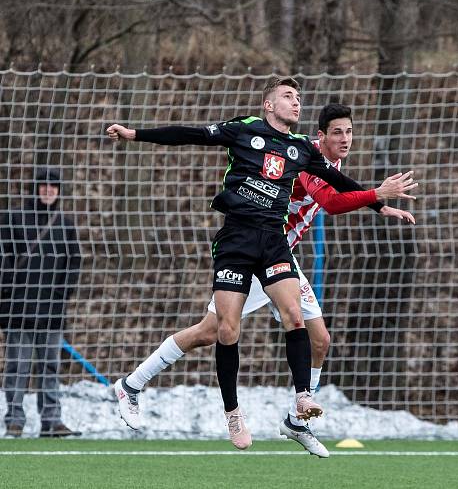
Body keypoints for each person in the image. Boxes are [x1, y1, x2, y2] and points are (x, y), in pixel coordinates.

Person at [105, 78, 417, 450]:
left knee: (318, 337)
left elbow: (343, 184)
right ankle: (133, 384)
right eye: (337, 133)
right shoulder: (298, 157)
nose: (345, 140)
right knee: (214, 331)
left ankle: (298, 416)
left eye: (350, 132)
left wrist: (380, 204)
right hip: (245, 243)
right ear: (322, 135)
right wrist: (135, 134)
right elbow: (332, 200)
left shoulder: (307, 153)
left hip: (277, 251)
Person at [0, 168, 82, 438]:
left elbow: (74, 263)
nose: (48, 190)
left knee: (50, 367)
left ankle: (51, 419)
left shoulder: (65, 224)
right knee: (17, 367)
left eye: (53, 186)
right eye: (44, 185)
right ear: (35, 189)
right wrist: (6, 299)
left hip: (51, 311)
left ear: (59, 191)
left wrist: (61, 296)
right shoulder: (13, 220)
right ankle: (14, 419)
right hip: (17, 310)